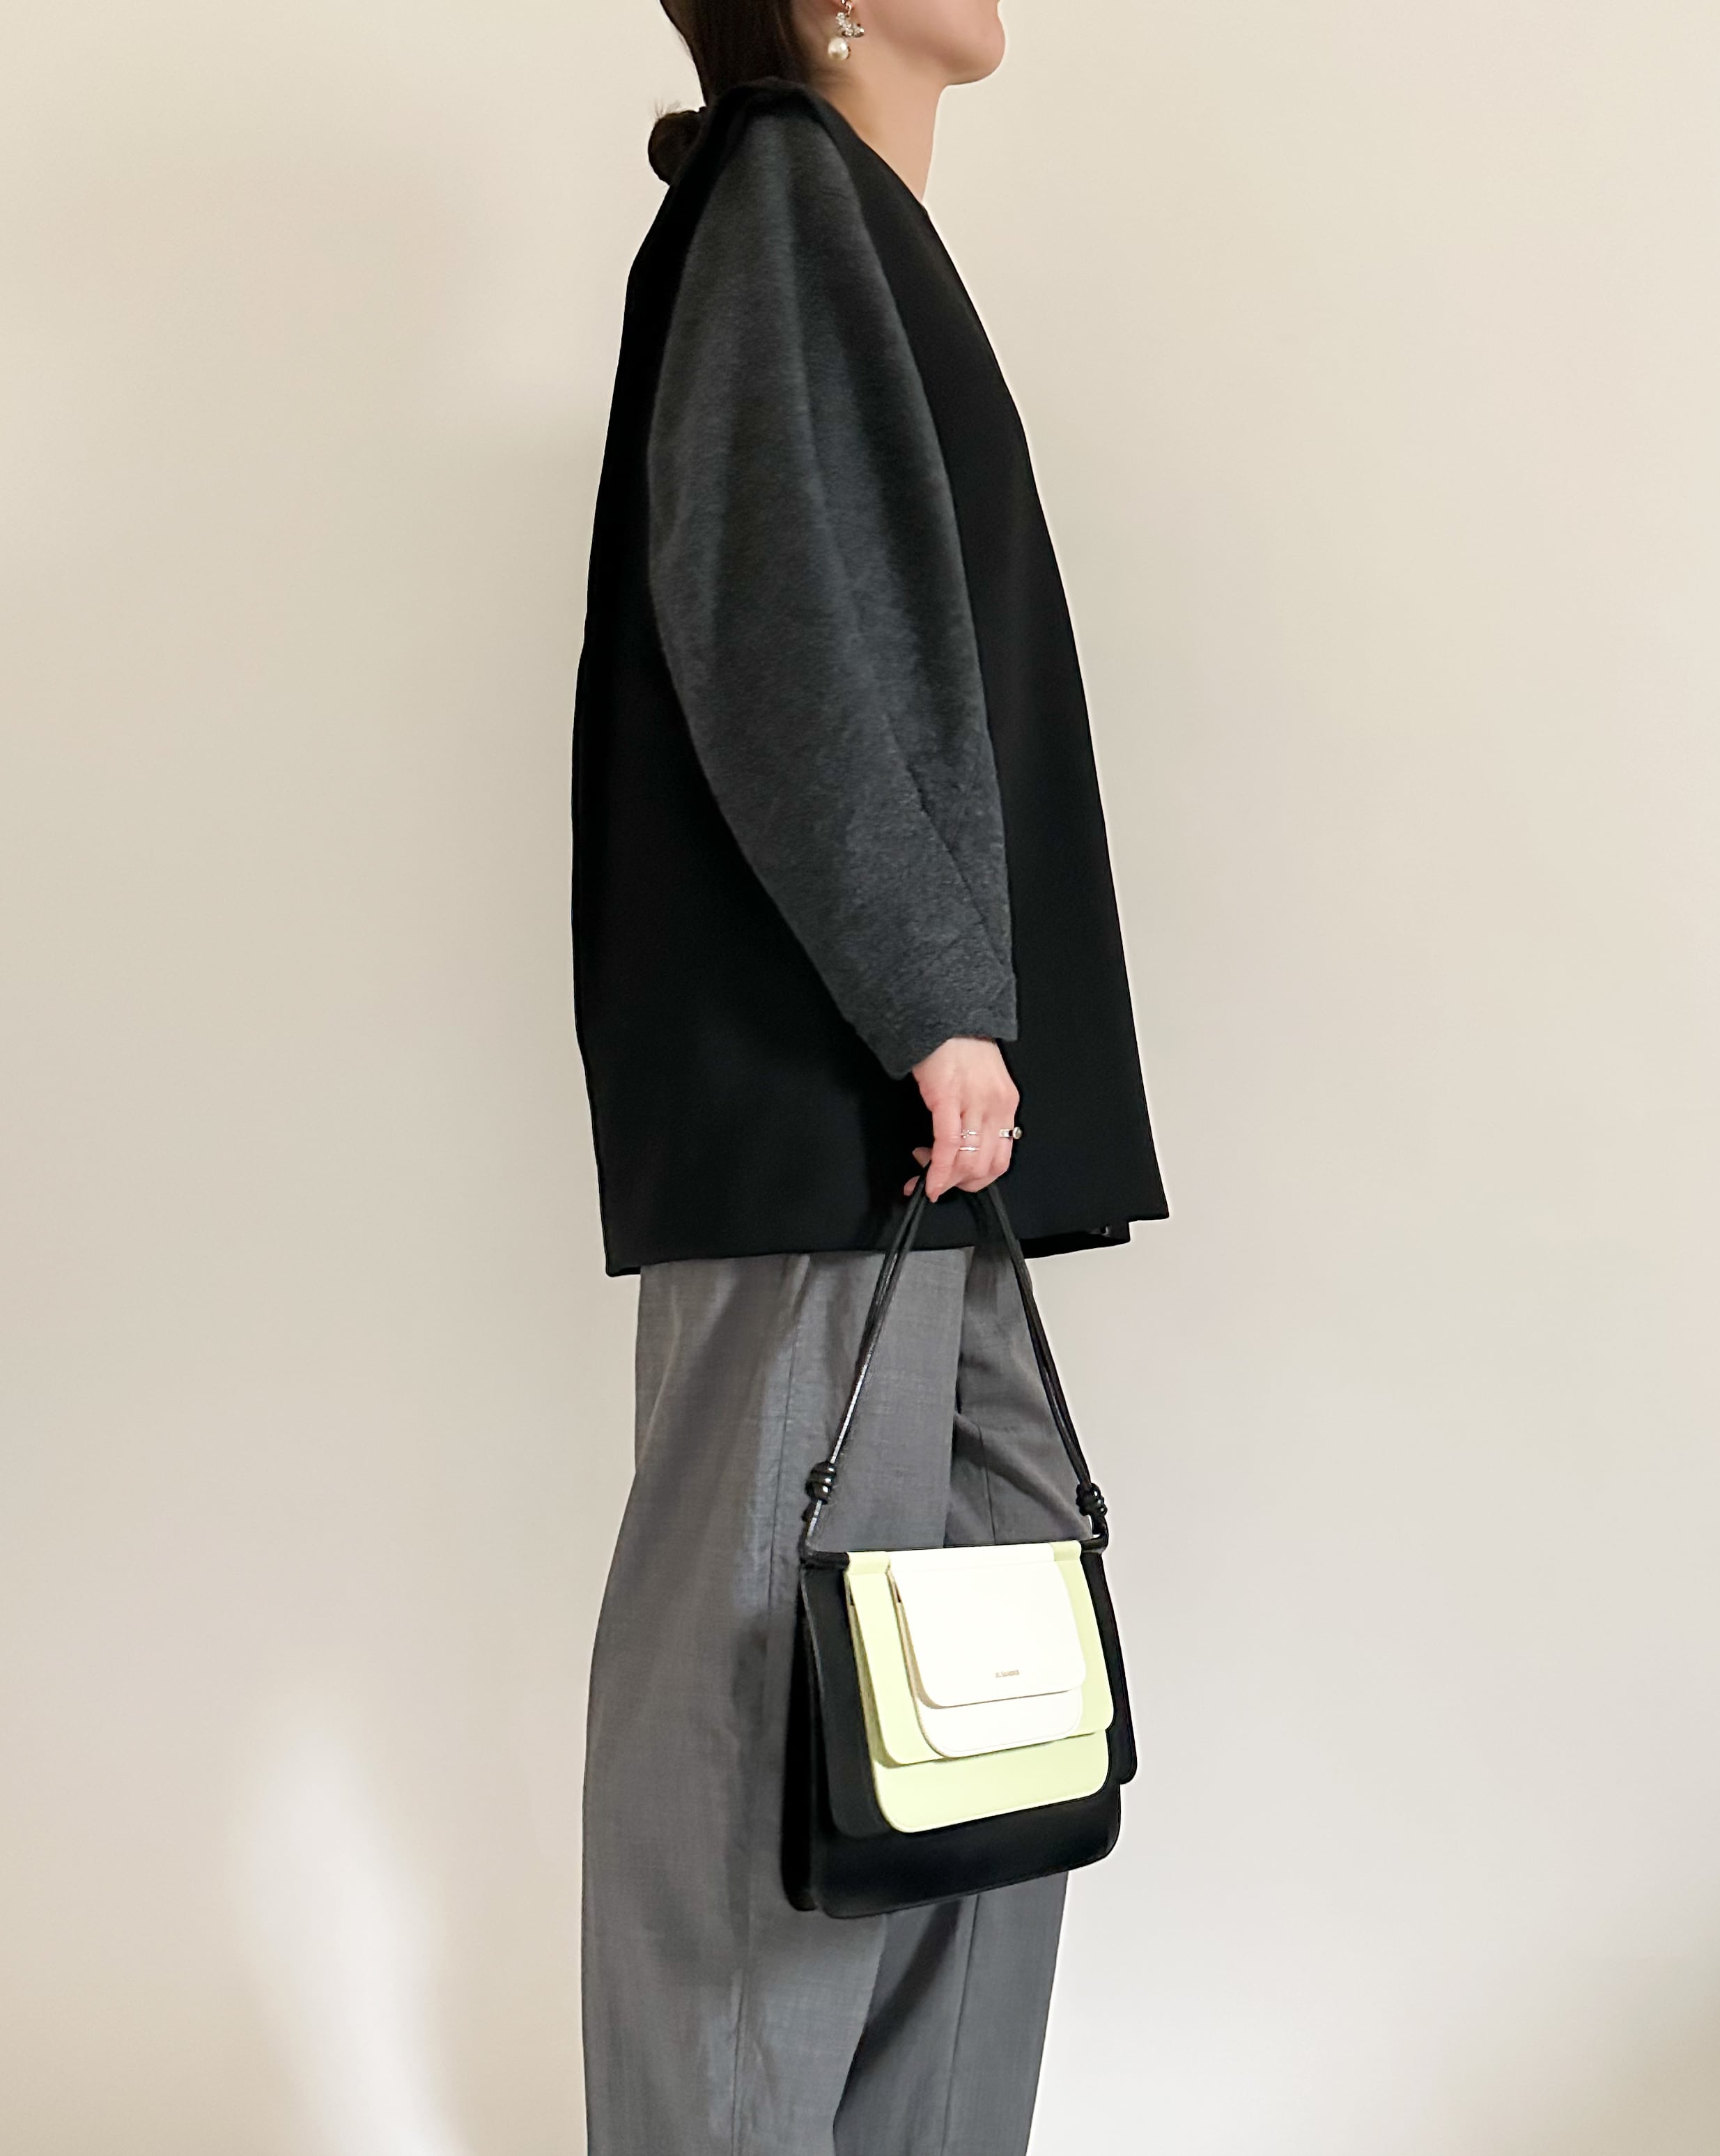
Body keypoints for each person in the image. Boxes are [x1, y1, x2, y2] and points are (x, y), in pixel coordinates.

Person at [571, 2, 1167, 2148]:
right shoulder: (775, 195)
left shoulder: (852, 225)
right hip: (839, 1085)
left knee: (984, 1732)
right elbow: (773, 615)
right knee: (765, 1731)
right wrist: (927, 993)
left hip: (930, 1117)